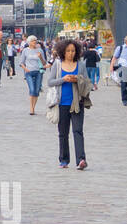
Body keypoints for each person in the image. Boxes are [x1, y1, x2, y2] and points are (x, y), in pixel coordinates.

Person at [46, 38, 92, 170]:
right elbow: (50, 82)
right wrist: (63, 79)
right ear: (63, 52)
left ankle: (81, 160)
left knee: (78, 131)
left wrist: (77, 79)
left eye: (73, 51)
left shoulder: (81, 65)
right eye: (68, 51)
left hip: (77, 103)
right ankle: (64, 159)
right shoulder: (57, 64)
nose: (71, 53)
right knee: (63, 133)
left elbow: (87, 82)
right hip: (62, 103)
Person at [20, 35, 47, 115]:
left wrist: (41, 57)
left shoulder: (40, 50)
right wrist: (26, 69)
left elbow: (44, 63)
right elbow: (21, 62)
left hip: (38, 72)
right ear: (29, 42)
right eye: (33, 41)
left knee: (37, 90)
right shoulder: (25, 50)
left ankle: (33, 107)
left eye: (35, 40)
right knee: (32, 89)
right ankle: (31, 108)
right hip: (29, 72)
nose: (35, 42)